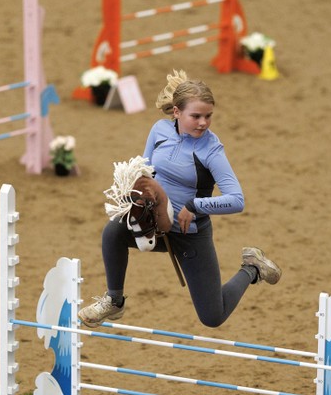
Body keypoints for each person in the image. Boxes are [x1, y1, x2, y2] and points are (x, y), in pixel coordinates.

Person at [79, 70, 280, 329]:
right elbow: (145, 171)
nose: (203, 123)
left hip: (189, 232)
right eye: (196, 116)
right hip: (155, 223)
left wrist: (193, 206)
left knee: (212, 317)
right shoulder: (159, 130)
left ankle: (252, 268)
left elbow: (237, 200)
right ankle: (114, 301)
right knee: (113, 232)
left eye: (208, 116)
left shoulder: (212, 150)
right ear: (176, 112)